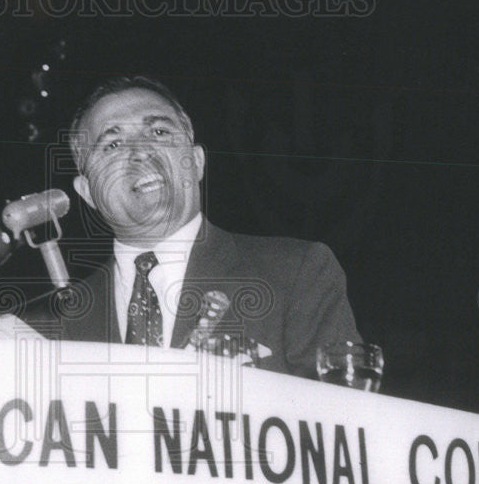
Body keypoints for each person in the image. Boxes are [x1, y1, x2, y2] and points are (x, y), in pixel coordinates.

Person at [34, 75, 361, 378]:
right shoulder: (53, 325)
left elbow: (345, 422)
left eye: (159, 133)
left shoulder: (296, 273)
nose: (141, 153)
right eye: (113, 145)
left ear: (198, 162)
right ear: (87, 192)